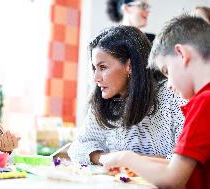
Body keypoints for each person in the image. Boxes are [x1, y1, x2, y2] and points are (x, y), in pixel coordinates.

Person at [99, 15, 210, 189]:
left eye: (167, 71)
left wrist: (125, 158)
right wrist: (128, 159)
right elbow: (177, 165)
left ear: (181, 54)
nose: (170, 85)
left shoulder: (205, 101)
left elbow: (173, 179)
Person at [67, 25, 186, 165]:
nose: (96, 78)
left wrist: (127, 159)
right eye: (95, 68)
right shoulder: (104, 101)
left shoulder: (173, 95)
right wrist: (106, 158)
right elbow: (77, 148)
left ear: (129, 66)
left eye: (103, 67)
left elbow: (186, 162)